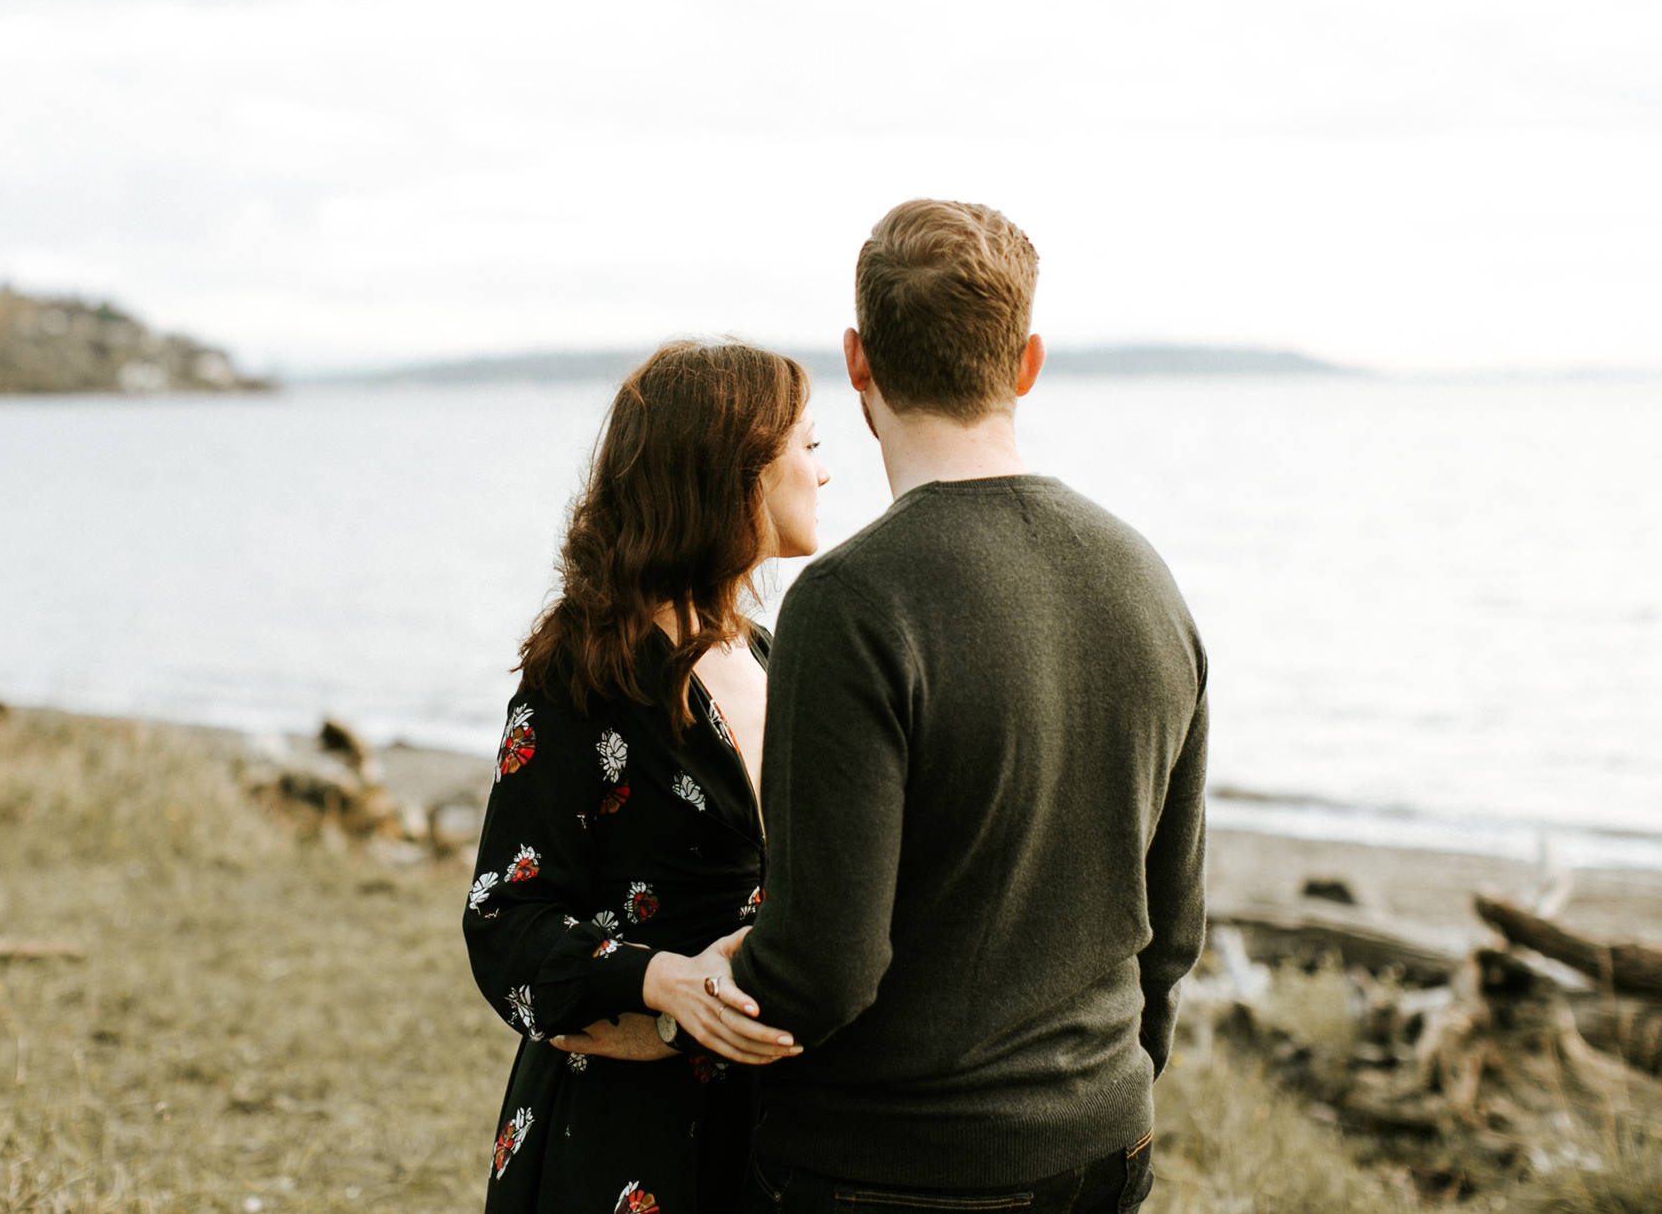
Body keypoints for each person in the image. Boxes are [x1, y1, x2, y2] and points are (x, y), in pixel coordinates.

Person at [700, 200, 1208, 1213]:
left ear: (856, 363)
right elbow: (1173, 913)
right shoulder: (1145, 577)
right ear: (1024, 362)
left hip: (892, 1168)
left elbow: (824, 963)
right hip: (1107, 1142)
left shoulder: (849, 601)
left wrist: (698, 981)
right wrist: (1113, 1082)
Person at [464, 339, 829, 1213]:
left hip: (780, 1129)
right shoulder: (584, 671)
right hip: (625, 1134)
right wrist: (662, 979)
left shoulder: (777, 657)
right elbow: (503, 920)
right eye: (808, 447)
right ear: (733, 472)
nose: (823, 472)